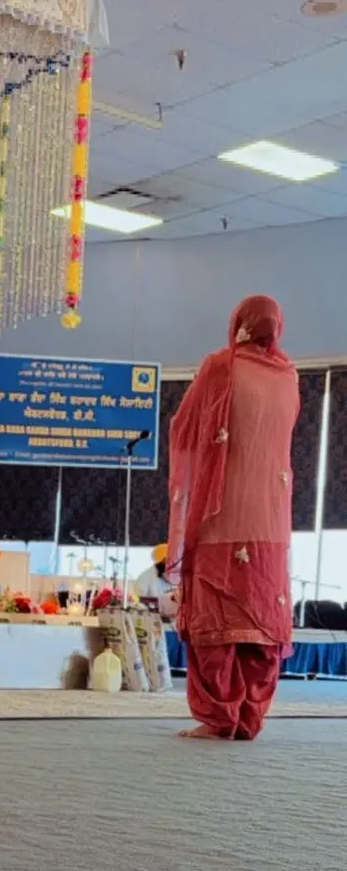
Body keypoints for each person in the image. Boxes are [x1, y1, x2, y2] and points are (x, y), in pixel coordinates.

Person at [167, 294, 299, 741]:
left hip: (222, 516)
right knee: (261, 619)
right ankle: (249, 717)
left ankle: (218, 717)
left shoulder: (221, 366)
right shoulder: (289, 376)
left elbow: (183, 427)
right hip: (271, 524)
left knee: (217, 617)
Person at [135, 543, 179, 618]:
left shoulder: (175, 575)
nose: (171, 564)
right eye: (166, 561)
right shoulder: (145, 578)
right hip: (153, 619)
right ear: (160, 562)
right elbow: (138, 602)